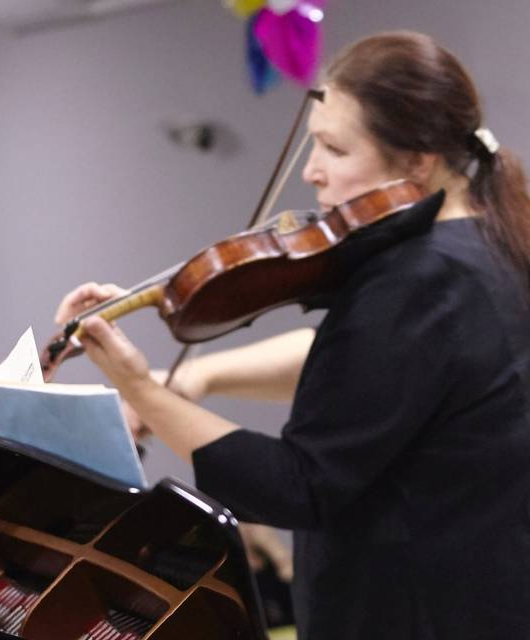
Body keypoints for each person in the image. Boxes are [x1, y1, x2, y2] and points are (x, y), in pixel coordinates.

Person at [53, 31, 530, 639]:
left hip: (410, 613)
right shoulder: (490, 245)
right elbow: (377, 370)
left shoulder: (422, 278)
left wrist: (144, 391)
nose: (311, 173)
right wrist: (203, 373)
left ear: (419, 159)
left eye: (333, 148)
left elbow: (297, 486)